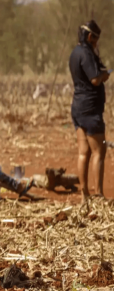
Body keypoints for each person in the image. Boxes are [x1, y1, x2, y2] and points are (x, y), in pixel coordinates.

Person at [69, 20, 110, 202]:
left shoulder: (75, 53)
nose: (96, 43)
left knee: (83, 152)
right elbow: (94, 79)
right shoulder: (85, 53)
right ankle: (98, 194)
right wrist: (104, 75)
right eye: (95, 39)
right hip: (90, 110)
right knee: (99, 151)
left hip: (78, 107)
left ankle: (84, 194)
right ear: (90, 36)